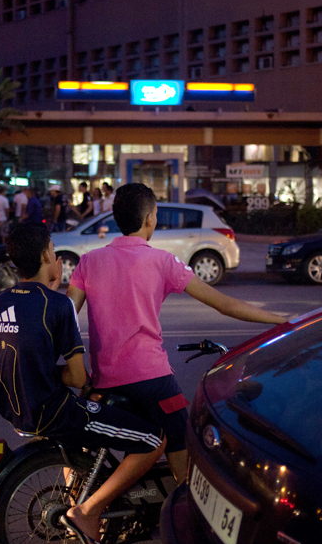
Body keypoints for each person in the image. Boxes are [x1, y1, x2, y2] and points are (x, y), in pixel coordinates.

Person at [65, 183, 289, 484]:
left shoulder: (88, 262)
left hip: (105, 379)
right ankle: (183, 506)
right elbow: (224, 304)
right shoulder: (162, 261)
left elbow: (67, 318)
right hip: (152, 379)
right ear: (149, 220)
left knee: (91, 442)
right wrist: (280, 320)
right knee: (181, 444)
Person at [0, 223, 166, 544]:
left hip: (15, 410)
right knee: (153, 441)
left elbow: (25, 354)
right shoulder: (58, 306)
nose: (57, 257)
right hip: (53, 411)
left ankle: (79, 497)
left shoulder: (1, 302)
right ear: (45, 257)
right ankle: (88, 511)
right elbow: (76, 374)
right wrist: (88, 383)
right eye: (54, 251)